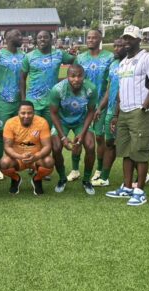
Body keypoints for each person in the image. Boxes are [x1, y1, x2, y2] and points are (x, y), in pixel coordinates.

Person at [106, 25, 149, 206]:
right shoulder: (123, 63)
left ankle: (140, 191)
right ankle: (127, 187)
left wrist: (144, 107)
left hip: (141, 111)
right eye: (125, 38)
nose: (126, 41)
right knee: (126, 150)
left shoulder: (148, 58)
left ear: (139, 39)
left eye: (130, 38)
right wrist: (116, 114)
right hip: (124, 112)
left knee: (141, 150)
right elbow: (121, 91)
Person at [68, 30, 113, 182]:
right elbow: (73, 79)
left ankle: (99, 170)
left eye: (94, 37)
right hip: (82, 104)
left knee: (99, 137)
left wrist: (101, 105)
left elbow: (110, 84)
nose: (91, 40)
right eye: (89, 37)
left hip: (101, 103)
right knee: (79, 136)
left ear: (100, 39)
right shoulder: (80, 58)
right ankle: (75, 169)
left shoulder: (109, 57)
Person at [50, 65, 97, 195]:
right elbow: (53, 113)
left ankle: (87, 180)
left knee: (91, 146)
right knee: (56, 147)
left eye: (79, 76)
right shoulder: (58, 89)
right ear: (67, 76)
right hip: (62, 121)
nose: (76, 79)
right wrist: (63, 138)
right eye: (72, 76)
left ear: (84, 76)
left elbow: (91, 111)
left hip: (81, 121)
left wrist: (82, 134)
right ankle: (62, 178)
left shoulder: (91, 89)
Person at [0, 29, 25, 180]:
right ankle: (1, 163)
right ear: (8, 38)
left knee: (19, 133)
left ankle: (17, 161)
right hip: (3, 100)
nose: (21, 37)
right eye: (18, 35)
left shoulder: (23, 56)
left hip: (19, 101)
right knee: (2, 133)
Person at [21, 30, 74, 127]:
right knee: (33, 132)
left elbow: (75, 61)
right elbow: (22, 78)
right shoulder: (28, 57)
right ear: (36, 40)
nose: (42, 39)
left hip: (52, 100)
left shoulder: (59, 54)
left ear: (51, 39)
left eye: (45, 37)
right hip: (33, 101)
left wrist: (67, 79)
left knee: (49, 133)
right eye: (39, 37)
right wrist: (23, 99)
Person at [91, 39, 126, 187]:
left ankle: (104, 177)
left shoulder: (131, 64)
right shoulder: (113, 65)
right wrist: (100, 108)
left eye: (120, 46)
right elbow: (109, 89)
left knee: (126, 144)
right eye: (115, 45)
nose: (116, 48)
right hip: (111, 110)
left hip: (126, 110)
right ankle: (104, 177)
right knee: (110, 142)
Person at [0, 101, 54, 195]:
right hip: (18, 158)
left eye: (29, 113)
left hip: (36, 158)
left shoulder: (42, 122)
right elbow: (7, 147)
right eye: (23, 113)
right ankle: (16, 179)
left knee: (49, 162)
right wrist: (19, 156)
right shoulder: (10, 123)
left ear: (34, 113)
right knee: (4, 163)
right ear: (18, 113)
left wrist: (36, 156)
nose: (26, 116)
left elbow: (47, 146)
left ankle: (37, 179)